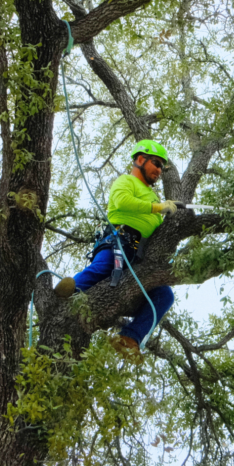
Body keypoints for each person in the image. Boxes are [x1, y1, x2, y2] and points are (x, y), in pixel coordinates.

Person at [55, 139, 177, 360]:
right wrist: (157, 208)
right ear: (141, 159)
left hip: (141, 255)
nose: (159, 170)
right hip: (120, 240)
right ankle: (68, 293)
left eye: (161, 167)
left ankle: (129, 338)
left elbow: (159, 230)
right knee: (104, 266)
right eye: (156, 164)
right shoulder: (127, 181)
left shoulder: (151, 196)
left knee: (164, 295)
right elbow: (122, 202)